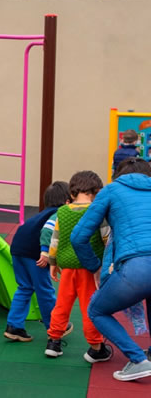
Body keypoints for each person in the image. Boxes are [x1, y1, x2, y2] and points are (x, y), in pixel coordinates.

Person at [72, 158, 151, 382]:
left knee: (97, 310)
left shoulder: (111, 190)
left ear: (117, 175)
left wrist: (95, 266)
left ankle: (138, 359)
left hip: (135, 268)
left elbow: (79, 237)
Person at [44, 171, 112, 363]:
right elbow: (107, 238)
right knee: (89, 306)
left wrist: (53, 262)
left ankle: (53, 341)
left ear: (72, 193)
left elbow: (55, 238)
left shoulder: (62, 212)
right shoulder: (97, 211)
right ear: (97, 191)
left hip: (66, 267)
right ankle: (95, 346)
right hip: (90, 269)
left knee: (62, 304)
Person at [4, 181, 70, 342]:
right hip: (35, 253)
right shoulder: (60, 212)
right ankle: (55, 326)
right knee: (45, 290)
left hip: (18, 248)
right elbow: (48, 231)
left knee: (25, 287)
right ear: (67, 200)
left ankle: (14, 326)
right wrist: (45, 251)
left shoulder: (42, 214)